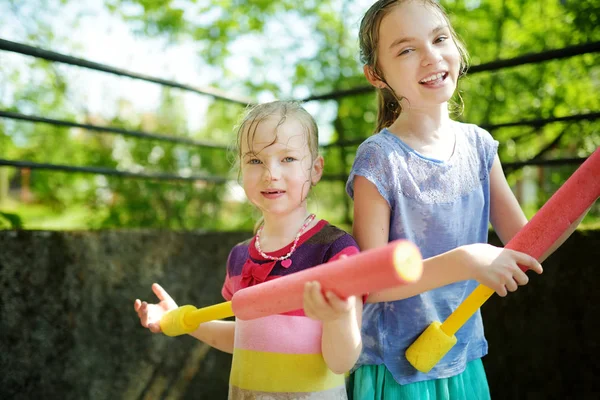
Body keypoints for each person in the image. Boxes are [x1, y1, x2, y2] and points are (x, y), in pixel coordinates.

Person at [345, 1, 549, 398]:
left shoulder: (479, 146)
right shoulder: (379, 158)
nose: (431, 56)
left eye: (439, 38)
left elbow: (529, 244)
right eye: (406, 49)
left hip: (463, 357)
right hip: (395, 368)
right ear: (376, 75)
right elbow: (370, 284)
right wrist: (465, 261)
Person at [135, 100, 362, 399]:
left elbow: (342, 361)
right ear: (240, 169)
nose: (271, 173)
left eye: (288, 158)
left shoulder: (335, 251)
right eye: (255, 160)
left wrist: (339, 315)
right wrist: (178, 319)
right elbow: (243, 341)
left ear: (316, 169)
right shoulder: (239, 257)